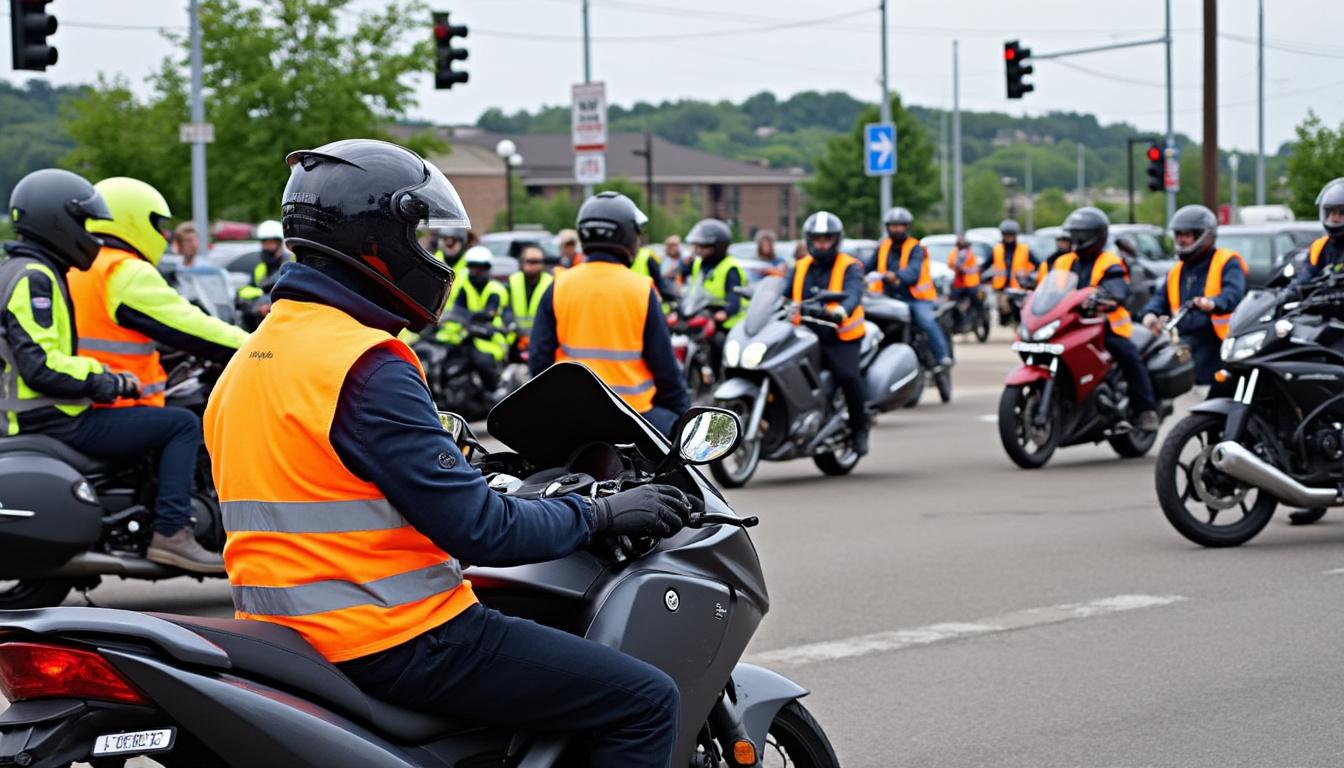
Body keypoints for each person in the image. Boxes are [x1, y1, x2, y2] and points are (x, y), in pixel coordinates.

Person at [203, 138, 689, 767]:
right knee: (645, 700)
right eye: (424, 240)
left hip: (287, 637)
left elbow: (328, 481)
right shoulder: (364, 364)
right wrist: (603, 515)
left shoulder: (252, 359)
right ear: (378, 241)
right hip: (395, 635)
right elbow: (481, 530)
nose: (432, 257)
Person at [0, 170, 222, 572]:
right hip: (59, 415)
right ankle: (172, 533)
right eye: (84, 224)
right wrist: (108, 379)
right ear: (57, 222)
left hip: (44, 412)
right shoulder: (35, 277)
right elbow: (41, 364)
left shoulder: (23, 270)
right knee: (180, 425)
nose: (91, 236)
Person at [70, 176, 248, 406]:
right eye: (156, 224)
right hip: (121, 401)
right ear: (130, 218)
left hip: (86, 397)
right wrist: (257, 348)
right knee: (186, 425)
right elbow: (190, 325)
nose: (163, 235)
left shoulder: (83, 263)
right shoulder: (124, 270)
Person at [529, 192, 690, 437]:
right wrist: (683, 416)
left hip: (572, 416)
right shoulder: (641, 289)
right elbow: (665, 368)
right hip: (633, 416)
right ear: (627, 236)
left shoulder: (559, 285)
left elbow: (539, 361)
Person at [1040, 206, 1159, 431]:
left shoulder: (1109, 262)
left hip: (1106, 325)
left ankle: (1146, 409)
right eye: (1073, 234)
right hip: (1071, 323)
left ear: (1097, 236)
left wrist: (1108, 298)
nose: (1076, 239)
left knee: (1129, 356)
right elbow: (1048, 287)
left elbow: (1118, 289)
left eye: (1081, 235)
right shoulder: (1063, 261)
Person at [1141, 205, 1246, 384]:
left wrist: (1212, 303)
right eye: (1178, 235)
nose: (1181, 240)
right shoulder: (1177, 270)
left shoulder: (1227, 261)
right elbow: (1160, 297)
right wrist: (1150, 314)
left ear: (1204, 236)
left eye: (1187, 235)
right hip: (1185, 341)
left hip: (1218, 343)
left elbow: (1233, 293)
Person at [793, 211, 869, 456]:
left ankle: (860, 428)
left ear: (836, 240)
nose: (821, 244)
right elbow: (781, 292)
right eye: (817, 239)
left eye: (827, 239)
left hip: (840, 336)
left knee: (848, 376)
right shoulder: (800, 266)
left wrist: (842, 310)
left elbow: (854, 293)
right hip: (805, 334)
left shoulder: (850, 266)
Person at [871, 206, 951, 367]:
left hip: (916, 298)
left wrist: (896, 277)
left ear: (907, 227)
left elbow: (913, 271)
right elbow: (868, 265)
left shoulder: (916, 247)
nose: (896, 229)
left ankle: (942, 357)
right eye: (893, 225)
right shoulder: (882, 246)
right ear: (887, 227)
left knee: (926, 321)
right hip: (887, 298)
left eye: (900, 225)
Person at [437, 246, 509, 393]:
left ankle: (496, 393)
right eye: (473, 268)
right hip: (468, 335)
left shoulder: (495, 289)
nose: (476, 272)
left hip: (490, 340)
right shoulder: (465, 288)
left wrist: (470, 317)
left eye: (480, 268)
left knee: (482, 362)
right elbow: (458, 310)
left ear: (487, 269)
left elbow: (490, 313)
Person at [684, 218, 747, 372]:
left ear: (717, 247)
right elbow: (689, 287)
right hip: (705, 314)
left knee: (718, 343)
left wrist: (723, 313)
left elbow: (734, 300)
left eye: (703, 246)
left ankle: (720, 376)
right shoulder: (699, 263)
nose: (698, 250)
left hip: (728, 323)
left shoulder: (730, 267)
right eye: (696, 245)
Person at [1295, 178, 1344, 285]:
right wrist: (1287, 293)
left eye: (1341, 213)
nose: (1334, 218)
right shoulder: (1319, 246)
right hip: (1324, 301)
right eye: (1331, 212)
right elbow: (1305, 277)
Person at [506, 243, 553, 342]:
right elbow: (505, 309)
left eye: (538, 262)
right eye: (530, 261)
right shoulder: (513, 281)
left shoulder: (550, 283)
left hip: (541, 339)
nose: (534, 265)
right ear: (522, 262)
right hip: (515, 338)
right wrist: (511, 324)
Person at [990, 219, 1035, 292]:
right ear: (1002, 235)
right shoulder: (997, 249)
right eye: (1006, 234)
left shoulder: (1024, 249)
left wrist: (1028, 274)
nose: (1008, 237)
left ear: (1015, 235)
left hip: (1019, 288)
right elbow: (986, 264)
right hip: (1000, 288)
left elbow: (1038, 265)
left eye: (1011, 234)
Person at [947, 236, 984, 320]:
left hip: (971, 282)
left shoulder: (969, 253)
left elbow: (973, 267)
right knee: (952, 299)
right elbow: (951, 264)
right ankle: (957, 317)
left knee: (978, 298)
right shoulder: (955, 252)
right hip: (959, 282)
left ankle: (980, 316)